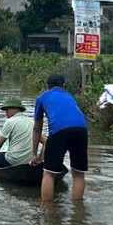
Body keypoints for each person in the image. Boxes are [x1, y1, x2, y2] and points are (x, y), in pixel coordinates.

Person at [31, 74, 88, 202]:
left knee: (49, 173)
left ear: (48, 86)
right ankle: (77, 211)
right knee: (78, 173)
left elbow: (37, 129)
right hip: (81, 129)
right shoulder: (69, 96)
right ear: (64, 86)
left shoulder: (42, 97)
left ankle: (47, 211)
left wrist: (34, 154)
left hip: (59, 131)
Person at [0, 97, 42, 171]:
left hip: (13, 160)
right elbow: (45, 141)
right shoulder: (31, 121)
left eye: (7, 109)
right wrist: (40, 159)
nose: (6, 112)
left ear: (16, 109)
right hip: (28, 160)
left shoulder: (10, 122)